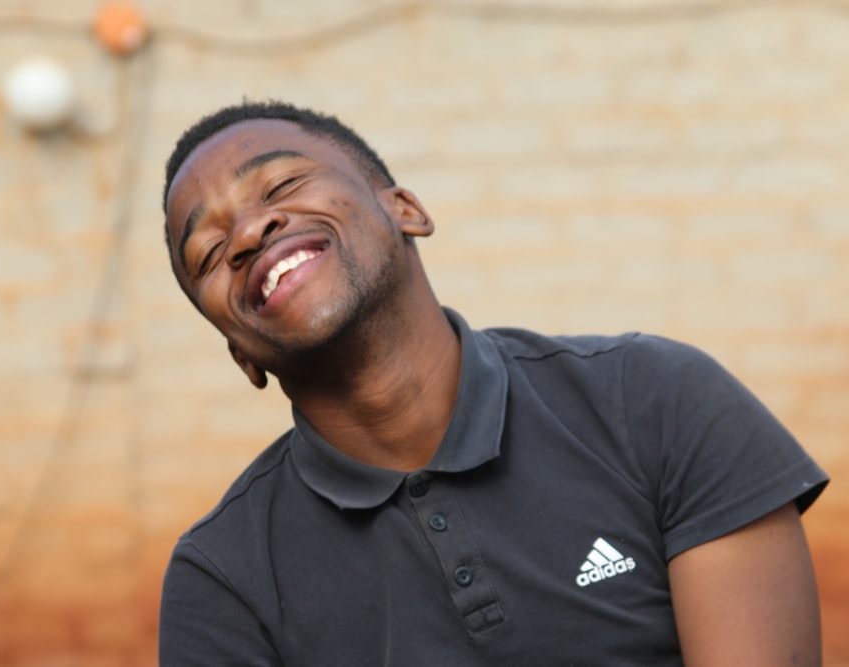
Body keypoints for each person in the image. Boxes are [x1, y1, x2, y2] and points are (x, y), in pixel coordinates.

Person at [158, 100, 828, 666]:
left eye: (279, 187)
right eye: (211, 252)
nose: (249, 230)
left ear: (406, 210)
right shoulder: (223, 578)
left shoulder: (657, 402)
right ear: (240, 351)